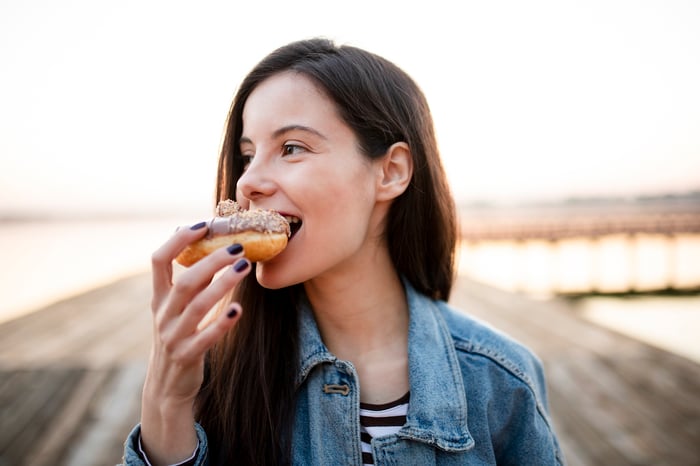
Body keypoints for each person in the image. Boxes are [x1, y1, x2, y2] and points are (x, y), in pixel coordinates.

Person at [122, 38, 563, 465]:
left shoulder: (501, 381)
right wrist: (167, 402)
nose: (247, 183)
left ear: (390, 172)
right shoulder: (213, 376)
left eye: (291, 148)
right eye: (248, 154)